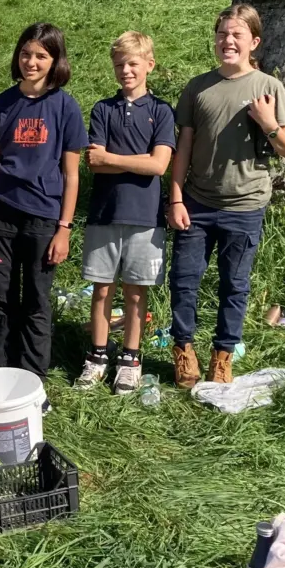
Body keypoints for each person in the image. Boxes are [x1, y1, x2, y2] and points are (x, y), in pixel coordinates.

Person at [168, 5, 285, 387]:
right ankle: (183, 350)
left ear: (253, 42)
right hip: (196, 203)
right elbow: (183, 148)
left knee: (235, 285)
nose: (228, 41)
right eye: (222, 33)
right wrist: (175, 198)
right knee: (183, 280)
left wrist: (268, 123)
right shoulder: (198, 87)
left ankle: (222, 356)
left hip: (245, 206)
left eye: (236, 35)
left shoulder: (269, 88)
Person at [0, 23, 87, 379]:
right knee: (2, 296)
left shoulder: (66, 107)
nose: (31, 62)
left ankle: (32, 377)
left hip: (43, 218)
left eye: (41, 56)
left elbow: (72, 175)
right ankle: (2, 370)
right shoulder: (2, 104)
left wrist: (64, 229)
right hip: (1, 214)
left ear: (55, 61)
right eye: (25, 54)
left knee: (37, 299)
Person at [77, 32, 175, 393]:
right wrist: (136, 161)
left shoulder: (161, 111)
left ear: (149, 65)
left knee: (135, 293)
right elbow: (94, 162)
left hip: (145, 218)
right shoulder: (103, 109)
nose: (126, 70)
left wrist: (113, 159)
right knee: (101, 290)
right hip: (105, 214)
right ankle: (97, 356)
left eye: (133, 63)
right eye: (119, 64)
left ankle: (131, 359)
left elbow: (159, 165)